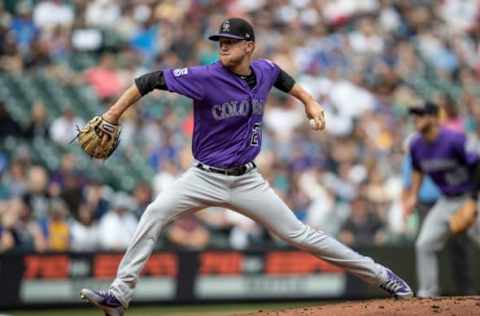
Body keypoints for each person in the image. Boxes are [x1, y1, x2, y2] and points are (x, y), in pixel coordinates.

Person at [80, 18, 412, 316]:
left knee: (301, 235)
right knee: (154, 213)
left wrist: (310, 102)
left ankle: (383, 276)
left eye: (230, 41)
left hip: (248, 180)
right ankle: (119, 296)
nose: (222, 46)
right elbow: (147, 80)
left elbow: (284, 79)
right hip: (203, 177)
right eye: (220, 41)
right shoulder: (205, 76)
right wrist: (111, 115)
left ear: (248, 46)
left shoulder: (265, 70)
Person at [402, 101, 480, 298]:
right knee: (424, 244)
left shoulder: (455, 139)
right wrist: (413, 195)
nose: (416, 119)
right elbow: (418, 169)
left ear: (435, 118)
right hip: (446, 201)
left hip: (472, 195)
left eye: (421, 114)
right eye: (415, 115)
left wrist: (472, 200)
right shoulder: (416, 145)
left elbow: (478, 165)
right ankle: (428, 295)